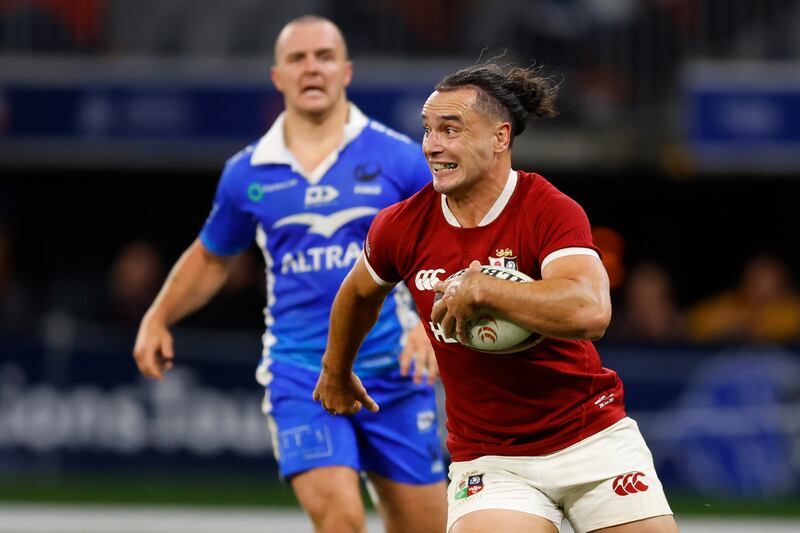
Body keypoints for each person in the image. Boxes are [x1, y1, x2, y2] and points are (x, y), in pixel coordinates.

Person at [314, 63, 679, 533]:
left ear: (499, 137)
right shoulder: (401, 225)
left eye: (450, 129)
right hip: (491, 460)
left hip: (592, 440)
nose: (432, 145)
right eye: (427, 130)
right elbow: (358, 294)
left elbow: (591, 311)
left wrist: (486, 288)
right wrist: (336, 370)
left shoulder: (548, 209)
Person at [133, 16, 447, 533]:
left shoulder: (400, 158)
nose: (311, 67)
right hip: (303, 370)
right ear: (277, 76)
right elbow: (213, 256)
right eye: (297, 58)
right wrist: (157, 316)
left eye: (323, 56)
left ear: (345, 71)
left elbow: (447, 244)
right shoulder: (249, 171)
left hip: (394, 370)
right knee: (341, 521)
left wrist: (430, 328)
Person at [685, 253, 800, 344]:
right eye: (755, 279)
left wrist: (753, 331)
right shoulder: (728, 304)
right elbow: (692, 325)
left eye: (769, 280)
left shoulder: (792, 309)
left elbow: (784, 332)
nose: (760, 287)